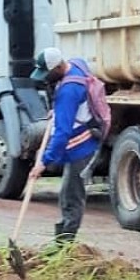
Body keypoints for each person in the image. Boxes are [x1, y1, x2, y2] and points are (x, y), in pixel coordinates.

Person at [28, 46, 102, 246]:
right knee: (68, 193)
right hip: (87, 134)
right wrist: (59, 110)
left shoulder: (68, 91)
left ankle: (64, 245)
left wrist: (43, 162)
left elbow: (62, 135)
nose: (45, 78)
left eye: (48, 74)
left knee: (71, 195)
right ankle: (63, 241)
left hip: (81, 146)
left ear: (59, 67)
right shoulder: (77, 64)